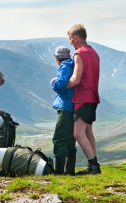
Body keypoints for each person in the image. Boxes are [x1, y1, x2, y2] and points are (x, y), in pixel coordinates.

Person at [66, 24, 101, 175]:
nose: (70, 43)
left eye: (70, 39)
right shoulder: (94, 53)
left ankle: (93, 166)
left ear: (75, 38)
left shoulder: (79, 54)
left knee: (78, 133)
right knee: (88, 132)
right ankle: (94, 164)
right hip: (93, 97)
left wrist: (61, 86)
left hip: (82, 97)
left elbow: (76, 79)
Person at [50, 46, 77, 175]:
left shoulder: (64, 66)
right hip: (74, 106)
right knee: (71, 140)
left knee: (59, 140)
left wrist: (53, 83)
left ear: (57, 58)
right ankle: (70, 171)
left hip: (65, 107)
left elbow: (60, 85)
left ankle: (59, 172)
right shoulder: (73, 64)